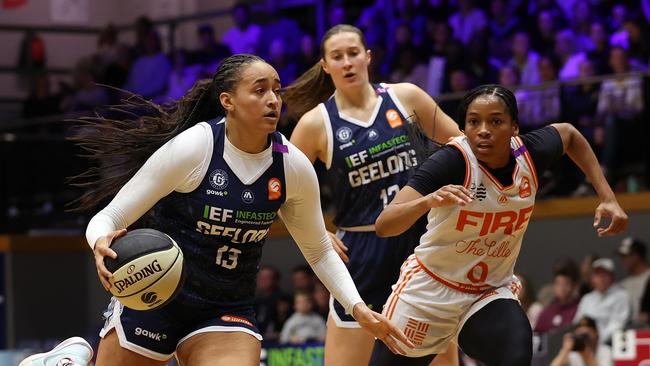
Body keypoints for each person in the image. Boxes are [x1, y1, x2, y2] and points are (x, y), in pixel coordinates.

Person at [21, 54, 411, 366]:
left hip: (226, 307)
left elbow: (319, 250)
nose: (273, 99)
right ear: (228, 101)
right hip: (153, 295)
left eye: (276, 90)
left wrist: (357, 307)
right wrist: (100, 242)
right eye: (259, 91)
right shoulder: (195, 148)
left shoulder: (291, 166)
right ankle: (68, 359)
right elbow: (108, 218)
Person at [370, 84, 628, 365]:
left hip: (487, 291)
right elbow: (385, 225)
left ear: (514, 127)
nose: (483, 130)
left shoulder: (530, 153)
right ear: (464, 127)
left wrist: (607, 197)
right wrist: (427, 201)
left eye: (495, 121)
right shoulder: (451, 162)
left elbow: (569, 134)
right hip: (431, 291)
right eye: (473, 122)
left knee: (516, 354)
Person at [282, 24, 462, 366]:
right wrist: (316, 232)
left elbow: (461, 149)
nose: (347, 62)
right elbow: (279, 190)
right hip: (362, 252)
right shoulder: (315, 124)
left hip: (420, 245)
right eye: (338, 56)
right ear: (325, 65)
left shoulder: (406, 96)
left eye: (353, 53)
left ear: (368, 57)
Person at [573, 258, 630, 345]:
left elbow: (617, 324)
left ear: (612, 277)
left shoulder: (621, 296)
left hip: (609, 344)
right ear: (592, 278)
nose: (601, 278)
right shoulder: (587, 298)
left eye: (604, 274)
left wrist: (596, 339)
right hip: (585, 343)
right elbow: (577, 322)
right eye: (597, 274)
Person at [617, 237, 650, 324]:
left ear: (637, 256)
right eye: (621, 256)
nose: (622, 259)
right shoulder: (622, 285)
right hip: (629, 329)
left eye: (625, 255)